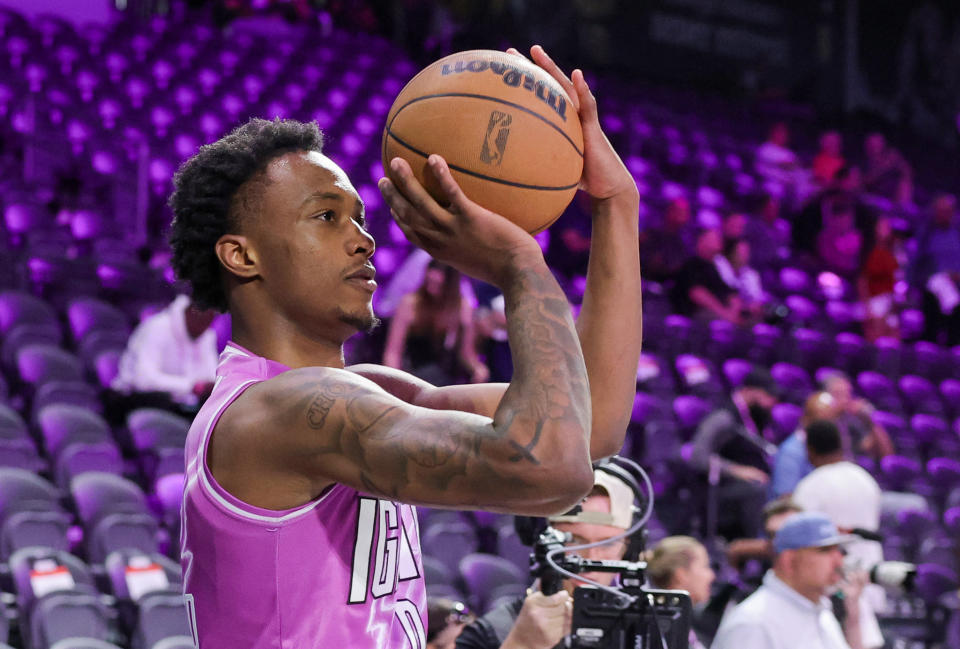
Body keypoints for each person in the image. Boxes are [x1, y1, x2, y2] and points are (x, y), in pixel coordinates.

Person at [168, 44, 643, 648]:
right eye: (326, 217)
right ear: (242, 255)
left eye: (361, 217)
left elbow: (591, 422)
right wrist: (520, 265)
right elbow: (550, 470)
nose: (363, 240)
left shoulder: (363, 392)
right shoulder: (276, 412)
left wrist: (615, 204)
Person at [454, 466, 638, 649]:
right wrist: (521, 645)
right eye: (573, 540)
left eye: (607, 543)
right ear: (541, 540)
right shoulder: (488, 634)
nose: (590, 559)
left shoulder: (642, 630)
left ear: (628, 550)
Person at [712, 512, 867, 649]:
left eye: (838, 550)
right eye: (824, 550)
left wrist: (853, 617)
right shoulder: (754, 624)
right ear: (789, 561)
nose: (839, 561)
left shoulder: (821, 612)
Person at [792, 420, 885, 649]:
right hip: (872, 576)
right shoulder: (865, 478)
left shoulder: (810, 487)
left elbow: (800, 539)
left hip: (837, 587)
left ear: (810, 450)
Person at [688, 367, 779, 539]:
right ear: (750, 391)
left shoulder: (760, 416)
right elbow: (697, 456)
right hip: (722, 488)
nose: (771, 402)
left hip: (754, 482)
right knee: (757, 490)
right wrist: (737, 470)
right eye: (766, 395)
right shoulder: (724, 417)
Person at [382, 259, 489, 385]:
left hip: (446, 379)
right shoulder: (410, 304)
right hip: (413, 375)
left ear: (450, 284)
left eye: (438, 286)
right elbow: (393, 353)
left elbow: (467, 354)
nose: (432, 289)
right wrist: (395, 381)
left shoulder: (462, 308)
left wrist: (478, 369)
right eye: (430, 283)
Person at [111, 293, 218, 411]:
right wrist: (191, 386)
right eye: (204, 314)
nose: (207, 321)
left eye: (212, 316)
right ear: (190, 310)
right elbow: (144, 380)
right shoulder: (157, 327)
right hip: (135, 399)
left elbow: (211, 377)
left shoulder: (207, 335)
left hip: (180, 403)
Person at [646, 536, 716, 649]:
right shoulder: (664, 632)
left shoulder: (682, 624)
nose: (711, 576)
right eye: (705, 566)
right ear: (681, 574)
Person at [770, 391, 841, 499]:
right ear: (805, 420)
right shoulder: (790, 452)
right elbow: (785, 499)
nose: (825, 428)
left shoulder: (830, 447)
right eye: (820, 422)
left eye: (830, 421)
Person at [670, 228, 746, 324]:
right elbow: (697, 293)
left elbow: (730, 293)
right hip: (695, 313)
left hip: (721, 313)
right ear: (701, 240)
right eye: (714, 238)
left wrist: (734, 312)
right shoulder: (691, 265)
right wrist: (724, 314)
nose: (718, 241)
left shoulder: (715, 267)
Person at [913, 194, 960, 346]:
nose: (942, 215)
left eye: (946, 211)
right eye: (939, 211)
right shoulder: (926, 234)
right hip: (931, 290)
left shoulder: (956, 234)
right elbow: (915, 263)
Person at [821, 372, 894, 460]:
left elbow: (886, 454)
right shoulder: (819, 422)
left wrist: (869, 421)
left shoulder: (852, 422)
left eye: (848, 394)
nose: (846, 400)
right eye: (839, 394)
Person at [859, 217, 901, 341]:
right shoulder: (868, 252)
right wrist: (867, 308)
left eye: (887, 228)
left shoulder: (893, 253)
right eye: (882, 227)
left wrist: (894, 304)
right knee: (876, 339)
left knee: (894, 340)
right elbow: (862, 281)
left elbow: (896, 280)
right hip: (874, 301)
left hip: (890, 302)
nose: (885, 231)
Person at [638, 196, 693, 283]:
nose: (681, 216)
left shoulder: (685, 243)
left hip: (667, 286)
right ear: (669, 211)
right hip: (642, 279)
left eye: (685, 213)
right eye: (678, 211)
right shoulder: (650, 233)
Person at [714, 238, 766, 319]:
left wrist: (754, 306)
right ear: (731, 253)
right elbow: (723, 296)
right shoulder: (720, 267)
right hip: (723, 310)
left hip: (746, 313)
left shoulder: (751, 274)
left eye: (747, 252)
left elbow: (757, 299)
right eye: (741, 251)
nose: (745, 255)